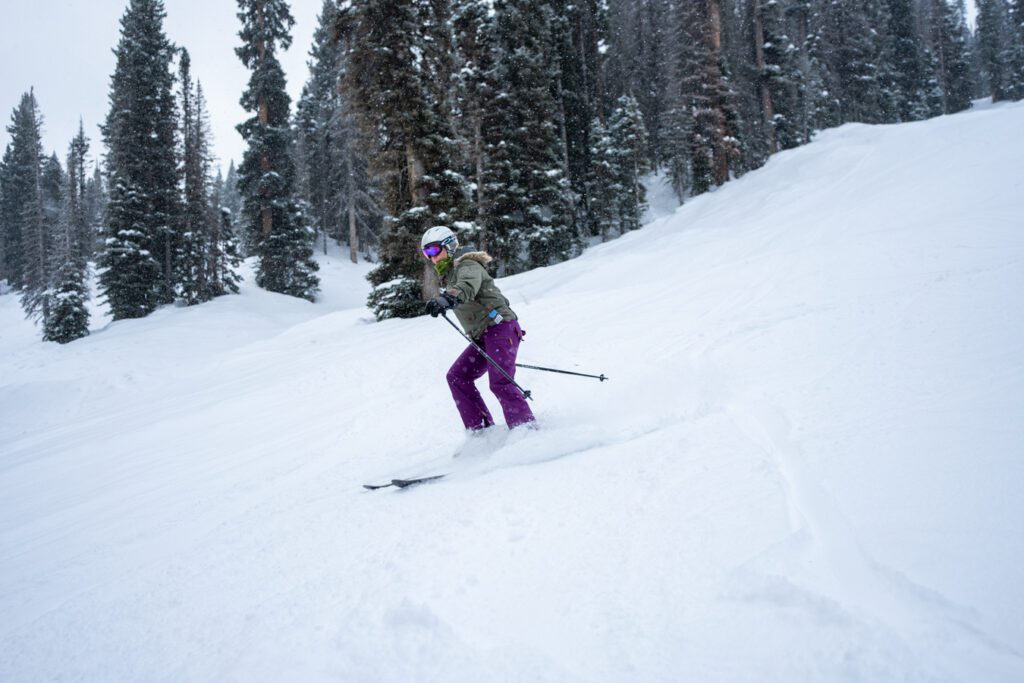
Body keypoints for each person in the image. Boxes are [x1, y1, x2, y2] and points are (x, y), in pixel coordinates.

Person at [421, 226, 536, 432]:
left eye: (434, 250)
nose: (431, 257)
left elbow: (466, 286)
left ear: (449, 245)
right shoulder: (451, 273)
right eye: (426, 253)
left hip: (501, 329)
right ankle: (481, 432)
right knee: (457, 377)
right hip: (484, 336)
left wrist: (447, 298)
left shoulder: (467, 264)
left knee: (500, 382)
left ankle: (526, 430)